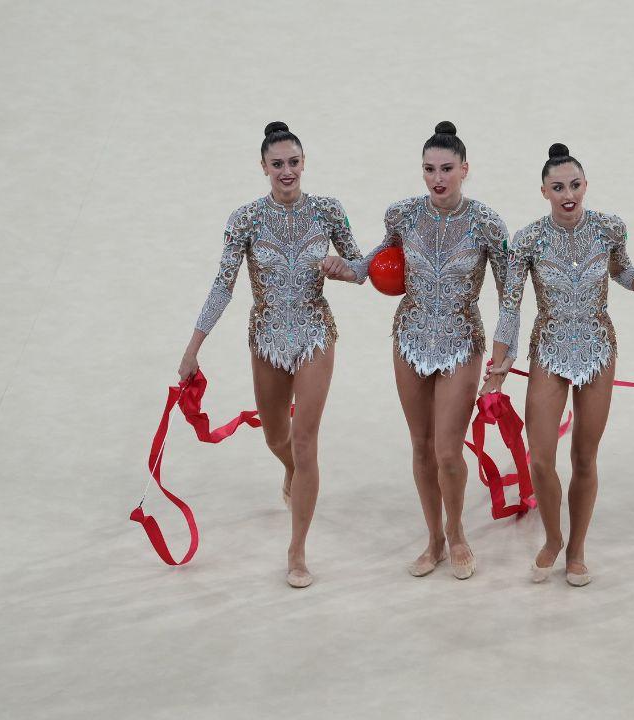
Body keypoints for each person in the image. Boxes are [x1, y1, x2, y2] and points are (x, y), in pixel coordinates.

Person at [179, 121, 368, 588]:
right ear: (263, 167)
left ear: (305, 163)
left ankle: (297, 551)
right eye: (277, 163)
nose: (287, 171)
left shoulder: (327, 210)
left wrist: (343, 268)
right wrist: (192, 348)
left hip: (314, 333)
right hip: (265, 338)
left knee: (305, 442)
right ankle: (291, 471)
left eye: (294, 162)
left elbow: (361, 267)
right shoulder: (245, 219)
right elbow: (223, 285)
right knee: (276, 437)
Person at [479, 143, 634, 586]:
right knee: (542, 457)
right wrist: (498, 367)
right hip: (549, 349)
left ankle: (577, 549)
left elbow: (624, 272)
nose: (568, 194)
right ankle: (553, 538)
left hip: (598, 349)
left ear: (585, 185)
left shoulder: (608, 228)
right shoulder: (527, 239)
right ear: (544, 191)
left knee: (585, 456)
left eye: (575, 185)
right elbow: (510, 306)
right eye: (558, 187)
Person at [357, 121, 508, 580]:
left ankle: (457, 532)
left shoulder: (486, 222)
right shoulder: (402, 214)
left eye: (446, 168)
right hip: (410, 338)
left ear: (465, 169)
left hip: (461, 341)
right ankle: (434, 540)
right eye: (429, 169)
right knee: (421, 446)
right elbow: (377, 260)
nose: (437, 178)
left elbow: (511, 295)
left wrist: (503, 358)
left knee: (447, 451)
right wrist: (345, 268)